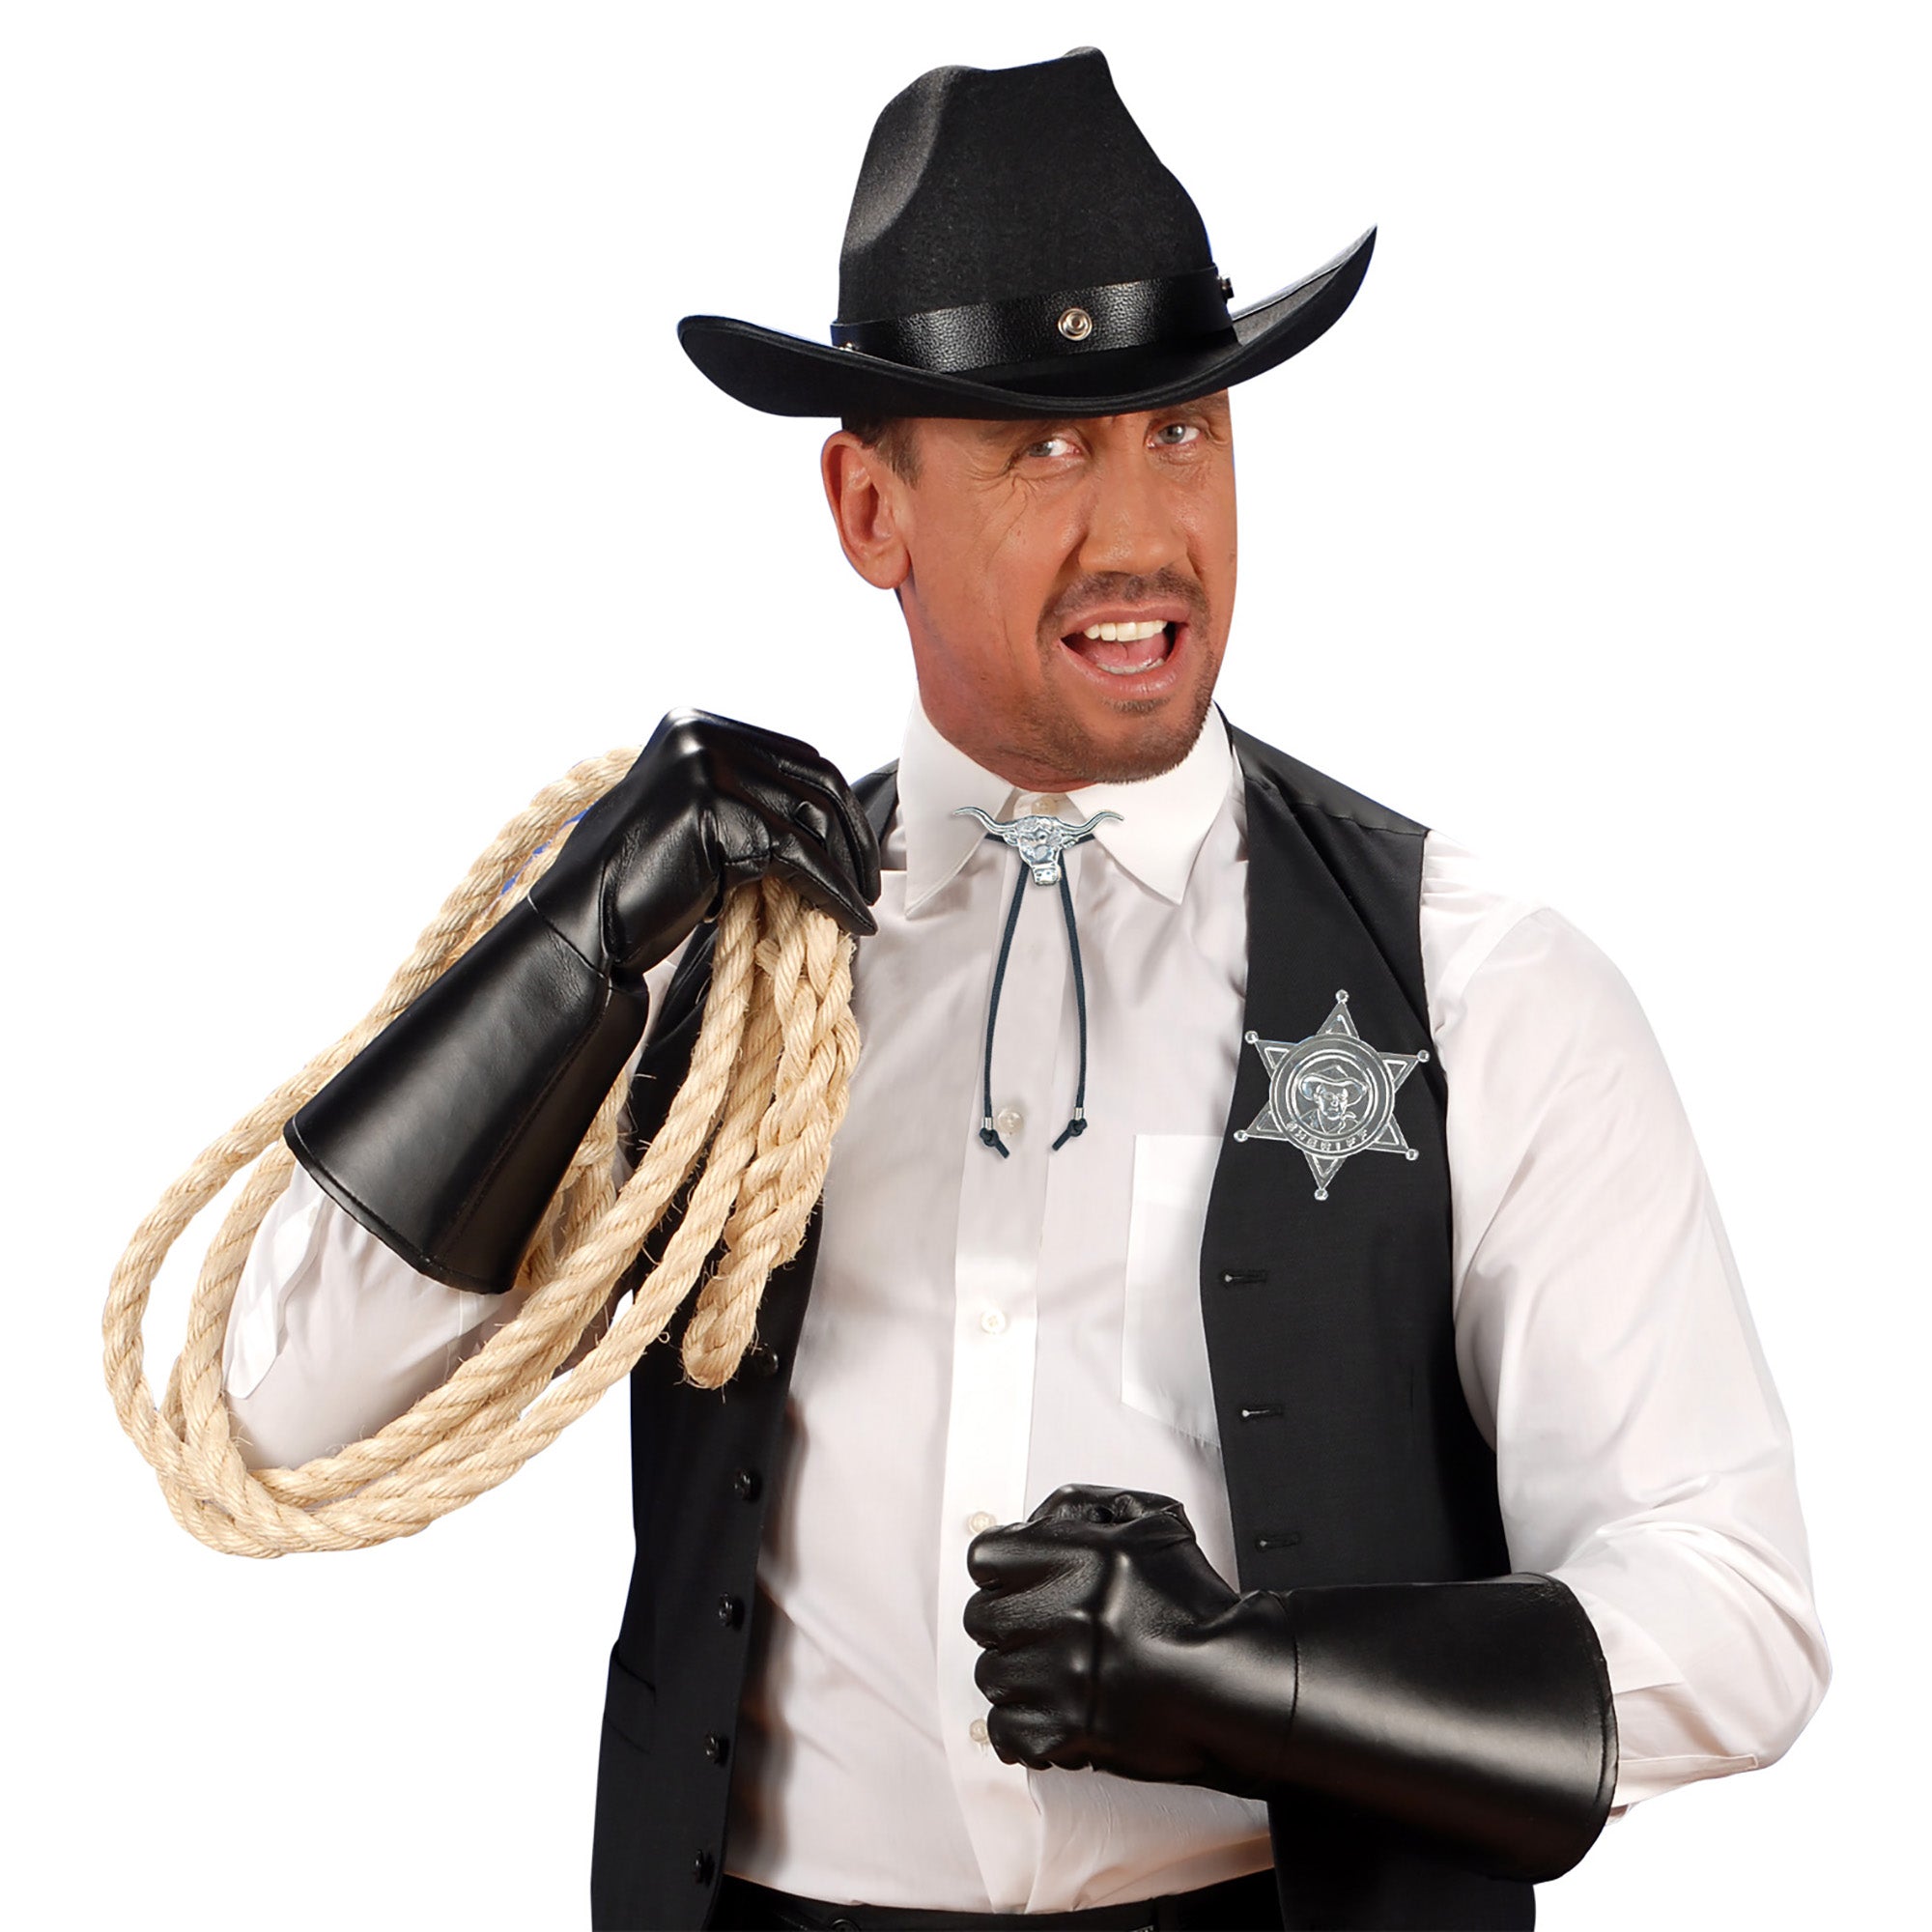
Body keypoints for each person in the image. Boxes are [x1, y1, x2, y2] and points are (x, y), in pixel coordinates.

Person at [220, 48, 1828, 1932]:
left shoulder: (1476, 980)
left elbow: (1736, 1612)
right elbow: (290, 1413)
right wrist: (565, 953)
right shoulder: (714, 974)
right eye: (1045, 449)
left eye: (1182, 430)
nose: (1142, 530)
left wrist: (1255, 1681)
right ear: (866, 508)